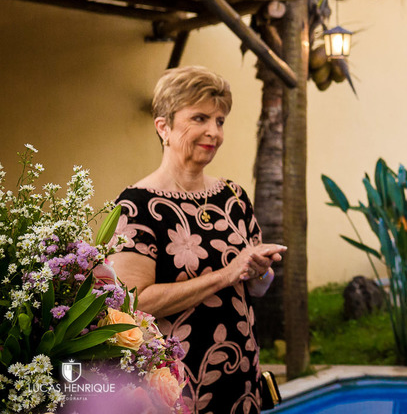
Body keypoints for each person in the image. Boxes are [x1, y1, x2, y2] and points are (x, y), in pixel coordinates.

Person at [112, 67, 285, 414]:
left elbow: (256, 288)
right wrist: (228, 273)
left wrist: (260, 271)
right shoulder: (136, 205)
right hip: (175, 385)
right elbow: (133, 304)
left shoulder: (233, 197)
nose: (214, 132)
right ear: (164, 127)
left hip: (240, 377)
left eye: (220, 120)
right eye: (200, 118)